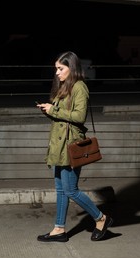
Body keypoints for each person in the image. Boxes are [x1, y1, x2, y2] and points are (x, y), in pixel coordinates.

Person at [36, 51, 113, 242]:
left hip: (70, 145)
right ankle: (59, 229)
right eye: (56, 69)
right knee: (61, 189)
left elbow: (79, 116)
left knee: (70, 190)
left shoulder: (80, 87)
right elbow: (63, 114)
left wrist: (54, 109)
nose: (57, 73)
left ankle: (101, 218)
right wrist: (49, 110)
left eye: (60, 69)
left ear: (72, 68)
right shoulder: (64, 87)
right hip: (59, 145)